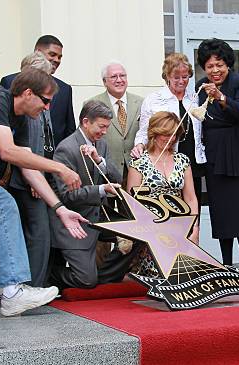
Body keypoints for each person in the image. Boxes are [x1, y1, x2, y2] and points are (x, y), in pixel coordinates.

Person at [0, 68, 88, 316]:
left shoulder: (19, 119)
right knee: (1, 204)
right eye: (46, 101)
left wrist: (60, 209)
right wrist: (60, 167)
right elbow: (7, 152)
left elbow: (28, 166)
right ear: (28, 93)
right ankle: (11, 292)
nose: (47, 109)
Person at [49, 100, 127, 289]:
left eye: (107, 127)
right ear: (85, 122)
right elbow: (67, 196)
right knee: (86, 280)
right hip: (76, 222)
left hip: (100, 217)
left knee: (138, 234)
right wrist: (101, 190)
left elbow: (117, 177)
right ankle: (49, 275)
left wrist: (98, 160)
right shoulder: (66, 149)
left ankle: (104, 275)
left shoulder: (101, 145)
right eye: (101, 126)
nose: (104, 132)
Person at [195, 38, 239, 272]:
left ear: (228, 64)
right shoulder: (200, 86)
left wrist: (221, 98)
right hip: (214, 155)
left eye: (219, 64)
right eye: (210, 66)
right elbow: (201, 118)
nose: (215, 70)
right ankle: (225, 262)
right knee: (221, 211)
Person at [131, 53, 206, 215]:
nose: (181, 81)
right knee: (168, 207)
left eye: (185, 77)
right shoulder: (153, 99)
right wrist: (138, 145)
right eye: (176, 77)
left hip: (191, 161)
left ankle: (191, 236)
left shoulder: (194, 97)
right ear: (167, 77)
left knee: (192, 203)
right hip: (166, 160)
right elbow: (144, 131)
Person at [7, 51, 57, 287]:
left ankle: (35, 284)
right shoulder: (26, 108)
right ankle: (32, 286)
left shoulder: (38, 104)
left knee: (39, 234)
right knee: (38, 234)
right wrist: (34, 180)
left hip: (37, 177)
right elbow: (26, 149)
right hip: (27, 180)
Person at [127, 111, 200, 244]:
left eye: (174, 135)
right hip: (150, 230)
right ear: (154, 133)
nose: (171, 139)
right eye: (166, 134)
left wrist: (194, 228)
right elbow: (132, 203)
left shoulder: (182, 160)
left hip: (180, 228)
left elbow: (190, 198)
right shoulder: (139, 163)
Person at [1, 35, 75, 146]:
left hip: (54, 158)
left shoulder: (64, 89)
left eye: (60, 57)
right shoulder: (10, 81)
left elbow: (69, 129)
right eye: (52, 54)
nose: (56, 60)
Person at [87, 61, 143, 178]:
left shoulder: (141, 103)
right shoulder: (92, 104)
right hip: (105, 172)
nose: (119, 80)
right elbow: (86, 139)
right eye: (113, 77)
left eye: (122, 76)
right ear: (104, 81)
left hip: (136, 171)